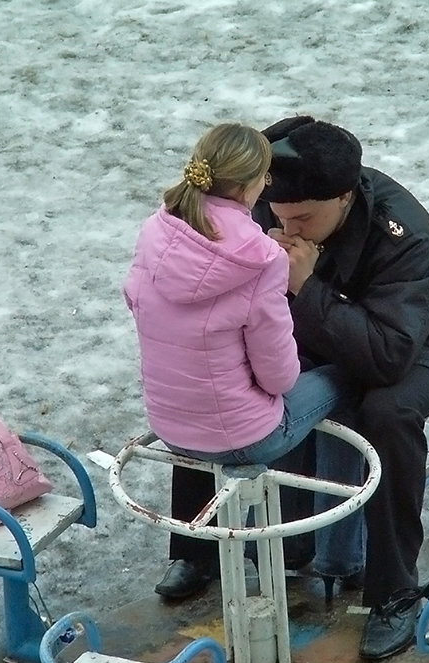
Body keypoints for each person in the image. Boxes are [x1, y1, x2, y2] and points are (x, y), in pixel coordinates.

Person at [157, 116, 429, 661]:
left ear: (346, 197)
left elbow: (386, 357)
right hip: (314, 331)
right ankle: (196, 546)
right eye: (278, 216)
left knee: (388, 413)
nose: (288, 230)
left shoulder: (402, 233)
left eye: (304, 218)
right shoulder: (278, 203)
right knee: (216, 372)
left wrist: (305, 285)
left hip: (422, 345)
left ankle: (394, 591)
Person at [123, 123, 348, 559]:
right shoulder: (261, 258)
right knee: (347, 376)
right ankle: (336, 557)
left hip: (170, 428)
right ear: (251, 185)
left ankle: (201, 561)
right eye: (265, 177)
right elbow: (279, 377)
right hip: (243, 439)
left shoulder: (157, 229)